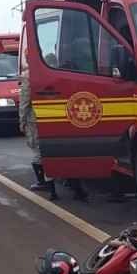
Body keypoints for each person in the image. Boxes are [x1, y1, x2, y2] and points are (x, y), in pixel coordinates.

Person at [19, 68, 87, 201]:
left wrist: (22, 121)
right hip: (61, 118)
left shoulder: (29, 76)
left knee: (43, 153)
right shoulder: (63, 71)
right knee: (66, 153)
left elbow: (24, 102)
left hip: (38, 120)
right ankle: (76, 188)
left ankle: (49, 187)